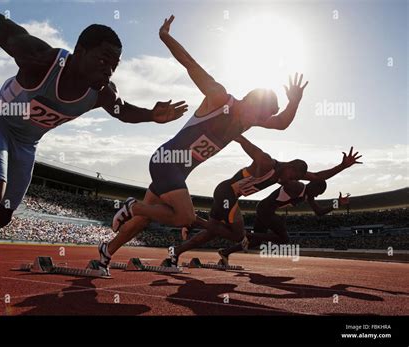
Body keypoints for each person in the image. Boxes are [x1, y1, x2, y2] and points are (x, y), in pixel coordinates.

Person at [0, 11, 187, 276]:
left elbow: (121, 111)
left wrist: (151, 115)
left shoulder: (102, 92)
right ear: (79, 50)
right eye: (103, 59)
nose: (108, 70)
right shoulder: (42, 60)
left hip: (26, 143)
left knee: (3, 214)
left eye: (114, 65)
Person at [101, 15, 308, 273]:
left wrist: (295, 102)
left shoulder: (246, 121)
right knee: (185, 217)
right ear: (251, 102)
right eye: (259, 116)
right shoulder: (219, 98)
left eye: (262, 119)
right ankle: (132, 206)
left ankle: (105, 253)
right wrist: (165, 37)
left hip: (177, 172)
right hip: (167, 161)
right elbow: (191, 64)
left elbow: (281, 123)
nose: (259, 122)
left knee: (143, 220)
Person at [165, 136, 361, 266]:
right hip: (227, 192)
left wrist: (342, 166)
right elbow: (244, 142)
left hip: (228, 195)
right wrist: (233, 130)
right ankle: (195, 219)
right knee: (237, 235)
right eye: (292, 177)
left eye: (295, 180)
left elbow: (318, 176)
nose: (290, 182)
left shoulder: (287, 177)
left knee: (211, 233)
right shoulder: (267, 163)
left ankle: (176, 253)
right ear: (289, 165)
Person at [217, 180, 351, 266]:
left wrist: (337, 203)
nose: (317, 196)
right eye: (319, 193)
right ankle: (248, 235)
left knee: (257, 241)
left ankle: (226, 252)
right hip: (266, 210)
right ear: (313, 186)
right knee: (284, 238)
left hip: (265, 209)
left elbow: (319, 212)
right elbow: (280, 179)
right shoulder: (296, 185)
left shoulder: (307, 194)